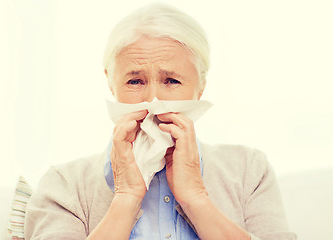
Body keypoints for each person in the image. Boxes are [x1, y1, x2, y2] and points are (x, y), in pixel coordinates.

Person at [24, 3, 297, 240]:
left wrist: (196, 199)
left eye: (172, 81)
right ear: (110, 82)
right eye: (135, 81)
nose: (153, 101)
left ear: (200, 86)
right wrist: (126, 198)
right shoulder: (63, 185)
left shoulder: (250, 171)